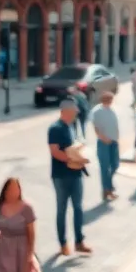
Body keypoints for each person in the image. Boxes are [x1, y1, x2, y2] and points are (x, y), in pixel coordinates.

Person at [48, 100, 90, 256]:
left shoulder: (70, 127)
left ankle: (79, 242)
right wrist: (73, 160)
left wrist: (79, 156)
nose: (76, 113)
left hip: (76, 174)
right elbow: (55, 151)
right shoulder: (55, 128)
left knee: (78, 208)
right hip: (61, 175)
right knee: (62, 209)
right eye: (74, 111)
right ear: (66, 111)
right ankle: (63, 243)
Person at [91, 91, 121, 201]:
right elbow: (96, 128)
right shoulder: (97, 111)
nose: (111, 102)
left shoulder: (112, 110)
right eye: (109, 100)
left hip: (114, 141)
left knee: (115, 165)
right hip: (104, 142)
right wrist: (103, 138)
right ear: (105, 100)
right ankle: (107, 190)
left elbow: (115, 124)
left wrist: (117, 137)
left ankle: (108, 188)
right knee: (105, 168)